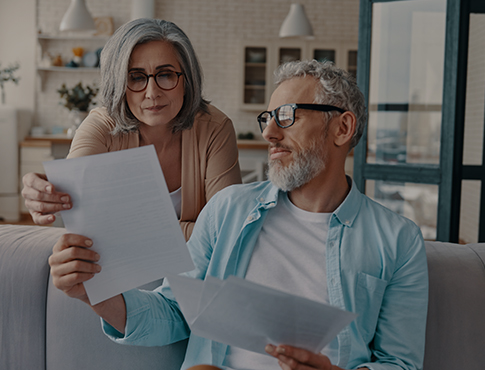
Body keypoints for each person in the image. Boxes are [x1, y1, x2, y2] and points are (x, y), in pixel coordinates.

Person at [49, 60, 428, 370]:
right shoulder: (228, 209)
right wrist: (94, 293)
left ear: (342, 127)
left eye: (287, 116)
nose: (269, 133)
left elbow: (400, 363)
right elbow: (172, 311)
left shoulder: (398, 239)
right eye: (268, 118)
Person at [21, 18, 241, 240]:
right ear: (118, 85)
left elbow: (224, 230)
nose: (152, 93)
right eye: (135, 78)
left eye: (165, 74)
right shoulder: (100, 127)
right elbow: (75, 210)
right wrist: (45, 193)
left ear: (187, 80)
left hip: (195, 271)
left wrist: (130, 231)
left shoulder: (215, 128)